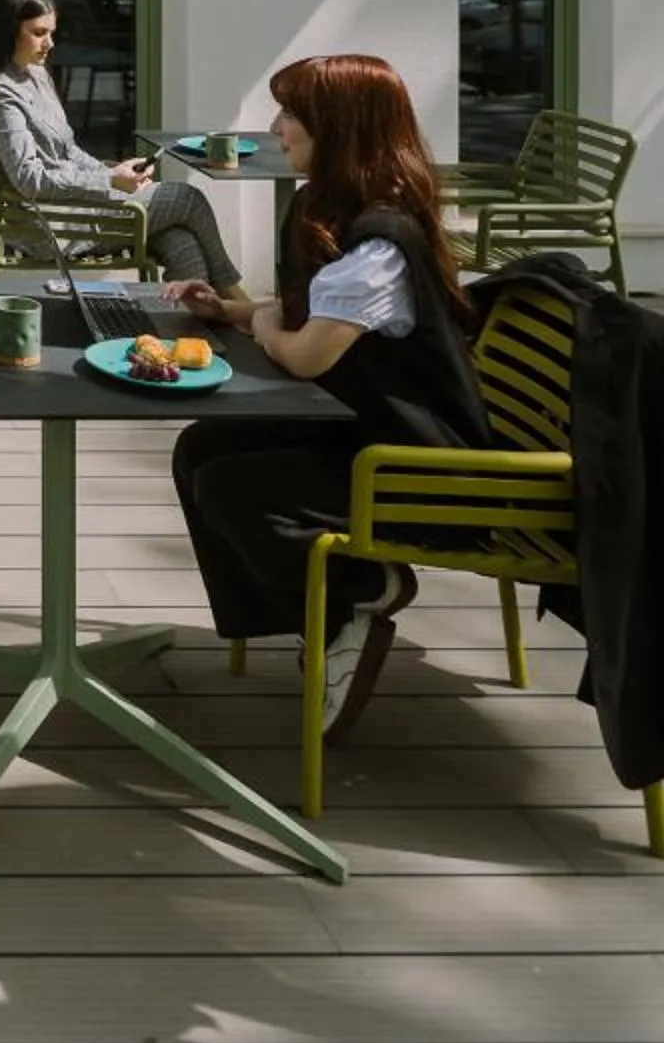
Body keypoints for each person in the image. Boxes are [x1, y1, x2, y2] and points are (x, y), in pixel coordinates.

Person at [167, 52, 491, 741]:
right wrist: (231, 311)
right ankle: (319, 622)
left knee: (234, 487)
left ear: (338, 128)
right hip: (365, 432)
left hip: (423, 470)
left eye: (291, 114)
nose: (277, 127)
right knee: (202, 447)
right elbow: (313, 312)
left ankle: (363, 591)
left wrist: (256, 320)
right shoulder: (345, 210)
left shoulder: (382, 239)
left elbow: (308, 351)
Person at [0, 0, 243, 292]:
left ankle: (190, 328)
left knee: (181, 241)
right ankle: (235, 299)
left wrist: (116, 172)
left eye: (51, 32)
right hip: (52, 224)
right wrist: (109, 181)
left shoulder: (37, 75)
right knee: (189, 199)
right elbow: (28, 178)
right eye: (39, 33)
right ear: (9, 33)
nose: (50, 43)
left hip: (77, 207)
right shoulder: (4, 94)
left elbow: (68, 151)